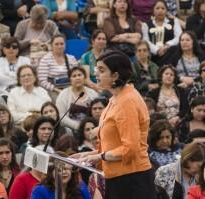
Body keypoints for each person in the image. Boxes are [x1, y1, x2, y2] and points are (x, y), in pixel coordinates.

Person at [71, 50, 156, 199]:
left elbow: (129, 149)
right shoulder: (116, 98)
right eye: (96, 68)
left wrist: (99, 157)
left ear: (115, 76)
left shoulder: (126, 102)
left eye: (102, 70)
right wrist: (88, 155)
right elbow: (112, 146)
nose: (96, 73)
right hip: (118, 178)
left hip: (131, 180)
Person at [38, 34, 78, 99]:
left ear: (65, 45)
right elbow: (42, 81)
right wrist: (56, 90)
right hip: (53, 90)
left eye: (62, 44)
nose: (59, 46)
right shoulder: (45, 59)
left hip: (70, 89)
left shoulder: (71, 58)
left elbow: (76, 76)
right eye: (56, 44)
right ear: (51, 45)